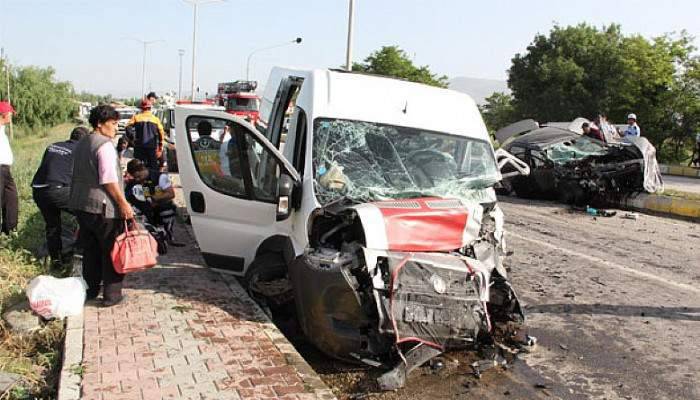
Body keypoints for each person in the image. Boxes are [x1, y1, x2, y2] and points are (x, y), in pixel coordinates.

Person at [68, 105, 134, 307]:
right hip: (102, 207)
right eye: (113, 124)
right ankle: (112, 296)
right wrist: (123, 204)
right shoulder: (104, 145)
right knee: (111, 250)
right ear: (99, 123)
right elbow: (108, 180)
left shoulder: (82, 142)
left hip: (81, 204)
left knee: (91, 250)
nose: (116, 128)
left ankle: (90, 289)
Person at [31, 126, 90, 268]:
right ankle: (81, 254)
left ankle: (56, 262)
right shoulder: (81, 150)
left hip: (39, 190)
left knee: (52, 226)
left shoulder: (53, 145)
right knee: (87, 214)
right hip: (58, 190)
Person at [124, 159, 183, 247]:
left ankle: (169, 235)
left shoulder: (160, 177)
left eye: (138, 176)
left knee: (168, 210)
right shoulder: (133, 182)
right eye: (135, 177)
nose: (137, 179)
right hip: (144, 209)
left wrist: (154, 198)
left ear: (143, 169)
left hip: (159, 206)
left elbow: (171, 194)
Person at [126, 99, 165, 170]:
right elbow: (161, 133)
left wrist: (132, 138)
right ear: (150, 108)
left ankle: (139, 180)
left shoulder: (136, 117)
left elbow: (128, 127)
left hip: (139, 146)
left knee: (137, 167)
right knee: (153, 166)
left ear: (141, 108)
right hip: (151, 147)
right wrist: (160, 145)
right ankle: (152, 179)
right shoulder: (156, 119)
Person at [0, 101, 18, 235]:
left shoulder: (2, 130)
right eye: (10, 113)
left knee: (11, 198)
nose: (11, 116)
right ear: (4, 114)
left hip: (5, 170)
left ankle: (9, 230)